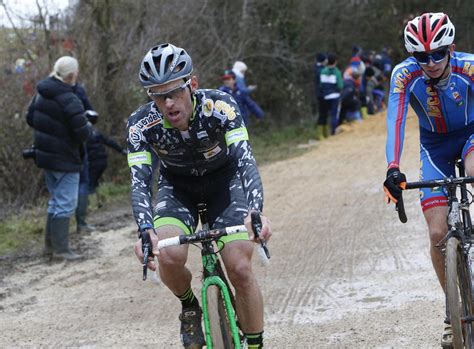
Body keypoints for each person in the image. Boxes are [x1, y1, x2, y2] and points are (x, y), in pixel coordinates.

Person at [128, 43, 272, 349]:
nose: (167, 103)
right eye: (156, 94)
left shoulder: (221, 106)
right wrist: (145, 229)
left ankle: (256, 343)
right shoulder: (140, 124)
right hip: (177, 189)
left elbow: (245, 160)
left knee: (240, 268)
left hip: (225, 184)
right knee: (168, 254)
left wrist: (256, 211)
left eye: (174, 92)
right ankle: (190, 306)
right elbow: (139, 181)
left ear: (192, 84)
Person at [383, 12, 474, 347]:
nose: (431, 62)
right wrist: (393, 167)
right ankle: (452, 314)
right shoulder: (404, 75)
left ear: (451, 47)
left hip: (471, 137)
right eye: (422, 56)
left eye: (438, 53)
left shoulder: (469, 67)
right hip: (434, 147)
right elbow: (395, 119)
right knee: (437, 232)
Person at [26, 56, 91, 260]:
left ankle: (50, 247)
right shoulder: (69, 98)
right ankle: (62, 250)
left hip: (46, 158)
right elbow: (83, 133)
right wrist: (89, 125)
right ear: (72, 75)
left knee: (55, 202)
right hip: (65, 159)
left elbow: (30, 118)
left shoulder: (42, 93)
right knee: (64, 203)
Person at [85, 110, 126, 205]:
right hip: (102, 160)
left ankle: (92, 204)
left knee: (89, 182)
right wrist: (122, 151)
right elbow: (109, 141)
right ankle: (97, 202)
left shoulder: (85, 133)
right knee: (94, 181)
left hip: (93, 161)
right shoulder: (96, 132)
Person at [319, 52, 343, 136]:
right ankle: (334, 131)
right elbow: (340, 85)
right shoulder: (337, 72)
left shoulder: (323, 71)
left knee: (328, 114)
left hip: (325, 96)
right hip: (335, 95)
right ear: (335, 61)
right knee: (334, 114)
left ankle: (327, 132)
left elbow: (321, 84)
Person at [314, 52, 327, 139]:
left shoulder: (320, 68)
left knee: (325, 113)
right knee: (322, 113)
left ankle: (325, 131)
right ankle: (319, 133)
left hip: (323, 93)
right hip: (321, 94)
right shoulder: (319, 70)